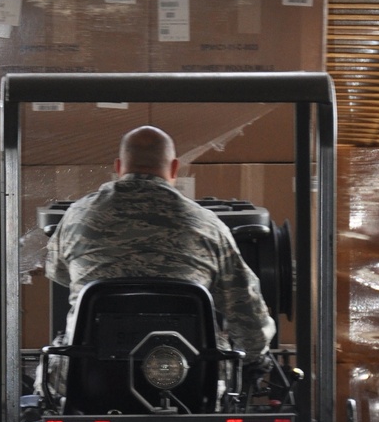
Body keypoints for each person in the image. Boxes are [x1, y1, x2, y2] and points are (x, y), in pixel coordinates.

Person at [45, 125, 276, 361]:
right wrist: (253, 358)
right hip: (187, 375)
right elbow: (248, 315)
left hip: (89, 371)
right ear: (175, 168)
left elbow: (58, 273)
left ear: (118, 167)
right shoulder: (208, 226)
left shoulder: (77, 217)